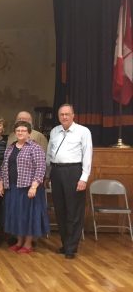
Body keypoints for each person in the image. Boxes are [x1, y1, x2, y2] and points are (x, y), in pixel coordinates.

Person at [46, 104, 93, 259]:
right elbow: (49, 153)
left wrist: (84, 178)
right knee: (60, 209)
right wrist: (47, 174)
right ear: (58, 116)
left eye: (67, 114)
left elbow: (87, 155)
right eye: (62, 114)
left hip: (74, 171)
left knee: (74, 210)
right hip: (56, 171)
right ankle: (65, 243)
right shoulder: (54, 131)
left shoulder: (83, 131)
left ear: (73, 115)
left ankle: (71, 247)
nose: (64, 117)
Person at [0, 121, 49, 254]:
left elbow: (41, 168)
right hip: (12, 187)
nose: (20, 133)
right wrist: (1, 183)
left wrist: (34, 186)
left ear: (29, 133)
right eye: (18, 131)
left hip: (28, 188)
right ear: (15, 133)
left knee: (28, 215)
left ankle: (28, 243)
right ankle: (19, 241)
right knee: (16, 215)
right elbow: (4, 166)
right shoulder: (11, 147)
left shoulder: (35, 148)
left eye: (23, 131)